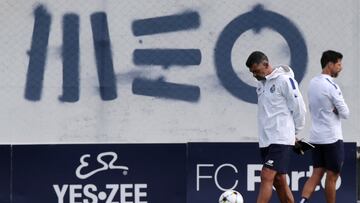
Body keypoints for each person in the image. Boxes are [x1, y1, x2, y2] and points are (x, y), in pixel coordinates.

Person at [245, 51, 306, 203]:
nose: (254, 75)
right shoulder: (261, 85)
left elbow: (299, 108)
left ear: (266, 65)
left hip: (281, 138)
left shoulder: (285, 80)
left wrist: (294, 132)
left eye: (256, 71)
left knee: (266, 174)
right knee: (279, 180)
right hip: (266, 140)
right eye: (252, 72)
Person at [299, 50, 349, 203]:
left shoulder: (313, 82)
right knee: (332, 176)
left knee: (316, 174)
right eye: (339, 64)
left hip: (316, 137)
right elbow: (346, 113)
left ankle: (302, 201)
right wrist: (336, 109)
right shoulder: (332, 86)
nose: (341, 68)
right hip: (332, 138)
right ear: (330, 64)